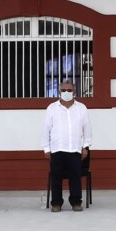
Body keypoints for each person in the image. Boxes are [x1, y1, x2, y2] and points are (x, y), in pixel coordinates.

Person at [42, 80, 92, 212]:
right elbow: (46, 129)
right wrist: (46, 148)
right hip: (57, 149)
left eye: (69, 90)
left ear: (74, 92)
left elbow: (87, 128)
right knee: (56, 177)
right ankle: (56, 203)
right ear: (59, 92)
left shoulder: (81, 108)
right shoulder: (52, 108)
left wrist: (85, 146)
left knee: (75, 177)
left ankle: (76, 202)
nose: (66, 93)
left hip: (74, 149)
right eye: (63, 90)